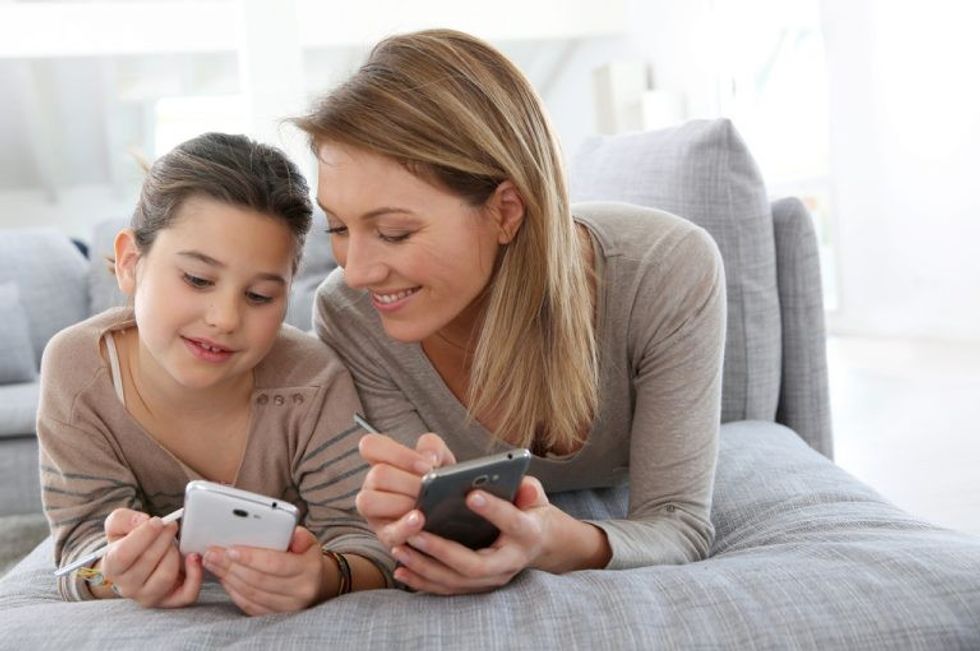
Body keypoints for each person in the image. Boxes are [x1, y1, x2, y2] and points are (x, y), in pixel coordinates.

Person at [295, 29, 727, 596]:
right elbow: (427, 519)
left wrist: (554, 543)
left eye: (394, 232)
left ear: (505, 211)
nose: (357, 271)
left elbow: (679, 523)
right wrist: (405, 525)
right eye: (340, 228)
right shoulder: (349, 313)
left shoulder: (666, 270)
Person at [37, 132, 392, 614]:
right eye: (198, 279)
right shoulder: (78, 370)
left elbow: (370, 543)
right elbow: (79, 549)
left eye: (260, 296)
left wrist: (323, 577)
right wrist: (118, 575)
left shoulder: (313, 381)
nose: (225, 319)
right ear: (130, 263)